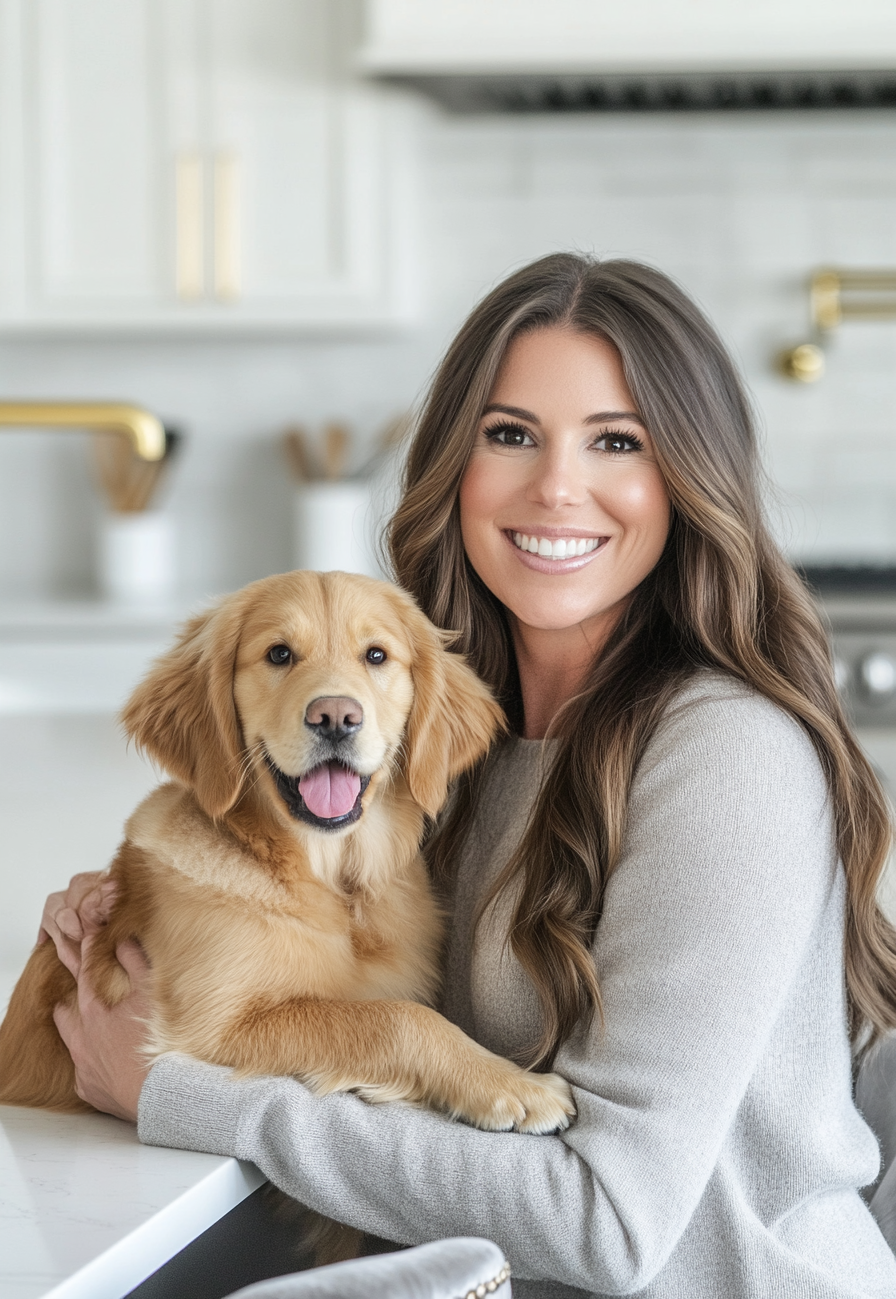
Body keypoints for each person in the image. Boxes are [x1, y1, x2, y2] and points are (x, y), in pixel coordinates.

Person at [40, 255, 896, 1297]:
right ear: (454, 464)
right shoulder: (438, 741)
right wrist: (131, 918)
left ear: (684, 480)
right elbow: (323, 999)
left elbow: (608, 1228)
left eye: (614, 441)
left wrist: (177, 1093)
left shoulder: (725, 755)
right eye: (509, 434)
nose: (554, 487)